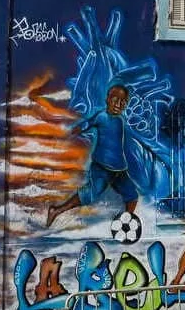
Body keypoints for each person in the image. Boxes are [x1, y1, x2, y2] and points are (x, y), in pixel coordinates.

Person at [46, 84, 145, 226]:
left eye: (123, 101)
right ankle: (56, 210)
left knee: (132, 196)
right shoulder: (101, 116)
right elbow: (87, 124)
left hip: (119, 170)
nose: (118, 104)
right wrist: (71, 132)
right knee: (91, 193)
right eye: (115, 99)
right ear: (107, 99)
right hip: (102, 168)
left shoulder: (120, 120)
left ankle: (126, 224)